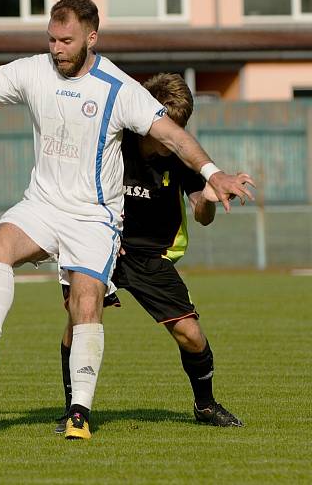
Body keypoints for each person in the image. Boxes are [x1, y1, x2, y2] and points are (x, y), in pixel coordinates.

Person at [0, 0, 253, 440]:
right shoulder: (31, 70)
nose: (57, 48)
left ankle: (82, 415)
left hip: (95, 220)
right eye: (51, 38)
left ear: (91, 37)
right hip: (42, 203)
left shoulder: (118, 90)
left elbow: (175, 138)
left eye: (66, 40)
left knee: (90, 304)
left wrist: (214, 174)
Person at [54, 73, 246, 433]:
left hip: (151, 257)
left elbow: (202, 217)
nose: (170, 138)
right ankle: (73, 408)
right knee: (79, 321)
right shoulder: (112, 140)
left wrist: (207, 200)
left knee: (191, 334)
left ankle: (205, 405)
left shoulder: (182, 156)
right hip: (101, 244)